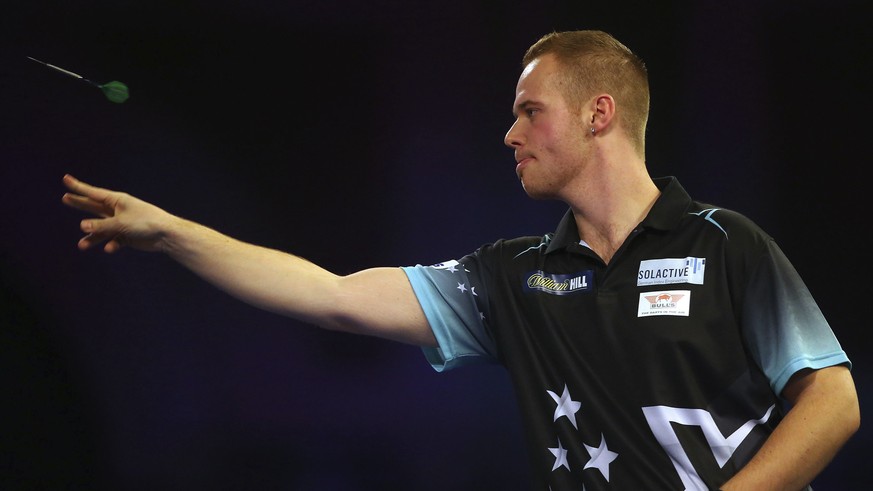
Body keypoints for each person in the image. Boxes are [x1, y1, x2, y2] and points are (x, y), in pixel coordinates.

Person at [61, 30, 858, 490]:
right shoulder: (511, 276)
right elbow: (331, 295)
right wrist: (169, 231)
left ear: (598, 113)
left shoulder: (725, 243)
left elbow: (833, 399)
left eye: (528, 111)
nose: (509, 134)